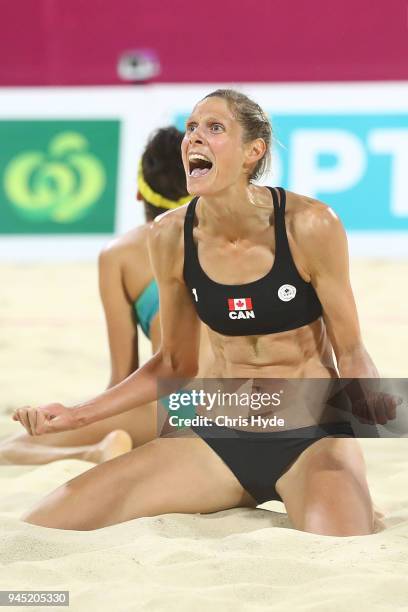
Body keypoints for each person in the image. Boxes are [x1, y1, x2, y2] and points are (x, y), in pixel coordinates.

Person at [13, 89, 391, 536]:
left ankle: (351, 501)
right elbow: (174, 364)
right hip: (219, 436)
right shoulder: (170, 235)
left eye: (214, 128)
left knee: (342, 550)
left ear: (254, 151)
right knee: (47, 521)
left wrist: (370, 397)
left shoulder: (309, 224)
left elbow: (351, 351)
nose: (195, 137)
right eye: (191, 127)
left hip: (310, 438)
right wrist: (78, 415)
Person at [1, 127, 197, 465]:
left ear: (139, 192)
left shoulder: (119, 255)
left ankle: (92, 452)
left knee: (11, 449)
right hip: (254, 404)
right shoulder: (229, 241)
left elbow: (123, 377)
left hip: (180, 407)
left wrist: (87, 416)